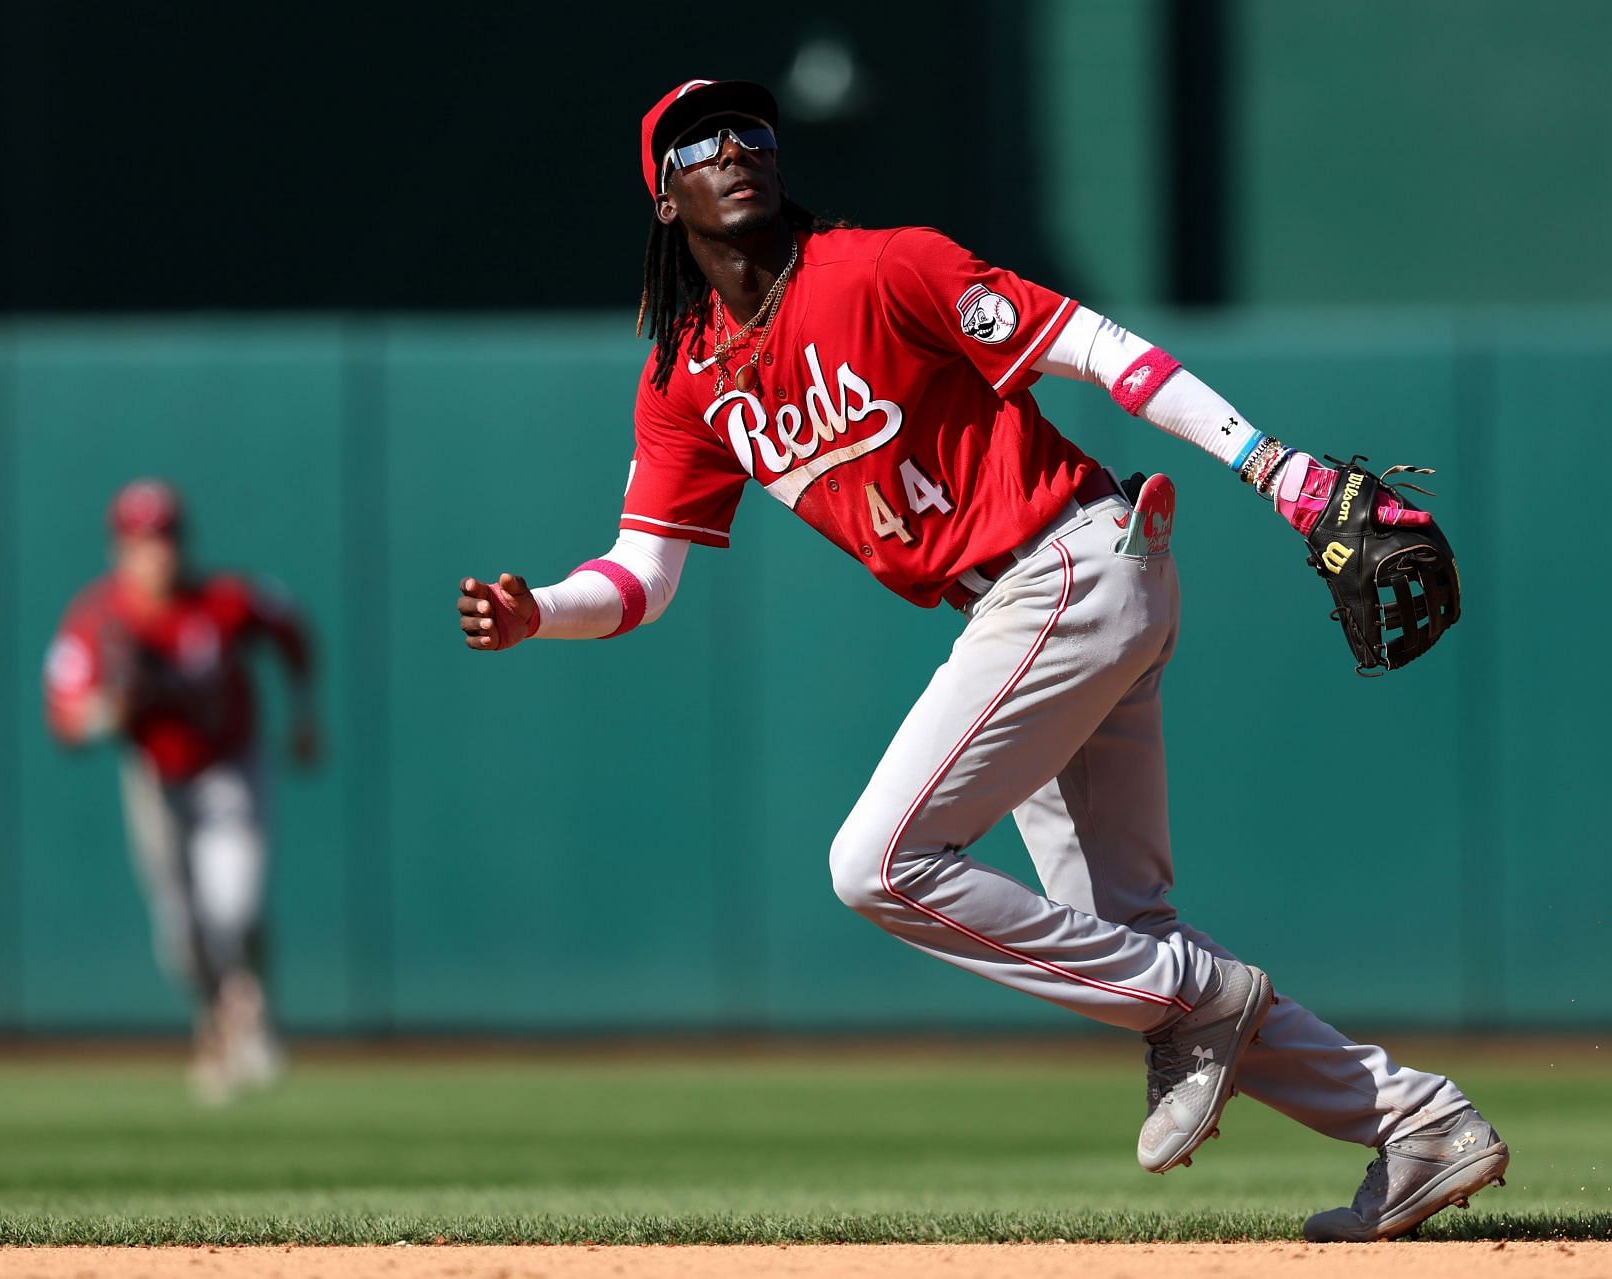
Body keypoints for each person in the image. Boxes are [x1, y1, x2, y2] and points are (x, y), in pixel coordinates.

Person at [454, 79, 1506, 1240]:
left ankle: (1197, 1003)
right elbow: (641, 576)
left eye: (752, 128)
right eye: (701, 141)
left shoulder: (881, 266)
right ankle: (1418, 1123)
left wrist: (1271, 466)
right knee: (1124, 937)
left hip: (1066, 565)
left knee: (878, 862)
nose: (737, 147)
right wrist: (538, 610)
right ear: (666, 199)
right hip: (1039, 597)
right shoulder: (686, 376)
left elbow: (1097, 348)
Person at [46, 478, 320, 1102]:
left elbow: (291, 628)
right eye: (143, 540)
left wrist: (304, 712)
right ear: (120, 547)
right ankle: (221, 1027)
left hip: (229, 766)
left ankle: (252, 1019)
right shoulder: (96, 618)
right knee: (180, 934)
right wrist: (104, 712)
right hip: (155, 779)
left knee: (235, 909)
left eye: (165, 537)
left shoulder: (224, 602)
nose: (157, 552)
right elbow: (63, 717)